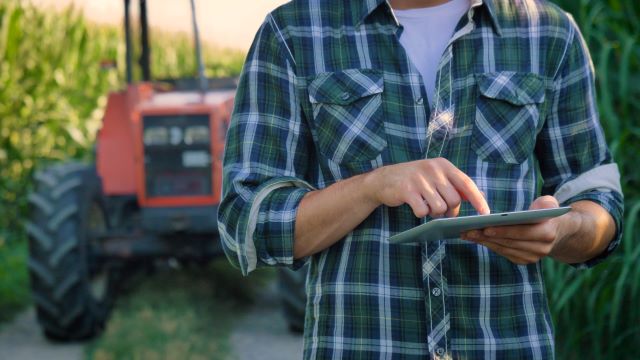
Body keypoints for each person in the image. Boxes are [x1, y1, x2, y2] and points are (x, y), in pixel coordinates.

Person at [218, 0, 624, 358]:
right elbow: (246, 224)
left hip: (508, 344)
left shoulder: (547, 33)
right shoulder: (293, 32)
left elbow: (598, 201)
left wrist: (563, 230)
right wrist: (371, 187)